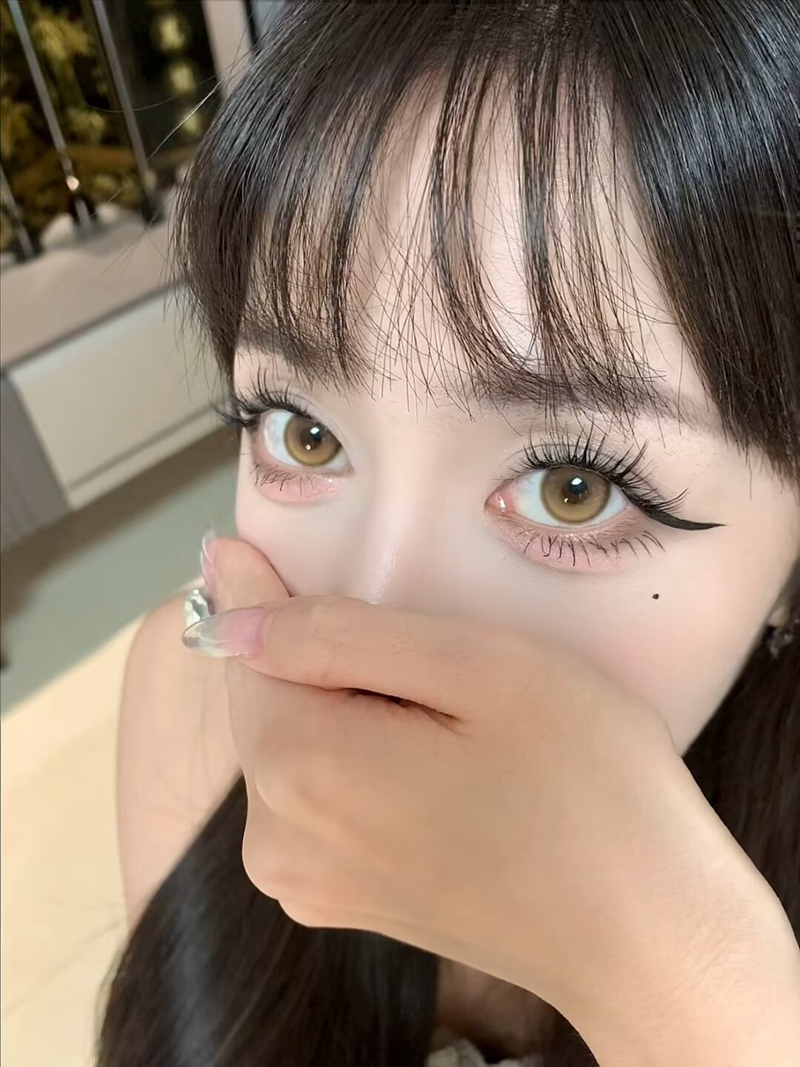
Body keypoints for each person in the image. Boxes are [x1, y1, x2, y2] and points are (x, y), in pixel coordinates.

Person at [97, 3, 800, 1065]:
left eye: (572, 487)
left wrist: (691, 991)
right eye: (303, 429)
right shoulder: (191, 699)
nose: (363, 622)